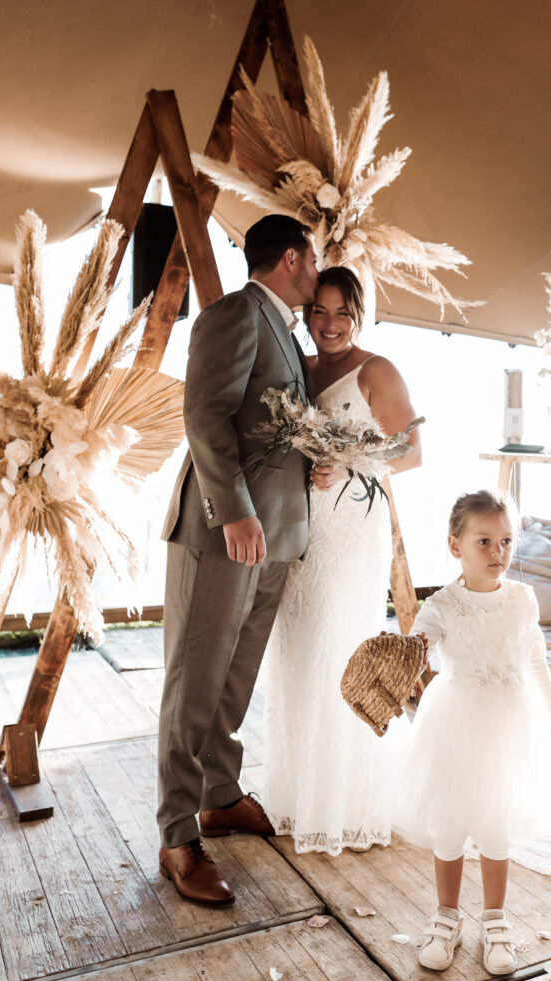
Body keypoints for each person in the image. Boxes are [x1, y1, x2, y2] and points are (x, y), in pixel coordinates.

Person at [158, 214, 317, 905]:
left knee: (236, 677)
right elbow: (204, 414)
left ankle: (220, 797)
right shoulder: (234, 313)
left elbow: (275, 427)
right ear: (292, 257)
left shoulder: (286, 328)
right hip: (226, 531)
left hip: (277, 537)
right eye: (313, 259)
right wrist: (237, 512)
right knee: (195, 680)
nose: (317, 269)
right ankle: (175, 834)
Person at [262, 266, 422, 855]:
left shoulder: (376, 370)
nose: (329, 325)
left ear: (358, 315)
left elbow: (410, 451)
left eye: (342, 314)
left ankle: (349, 802)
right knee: (298, 645)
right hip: (302, 527)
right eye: (319, 312)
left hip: (353, 527)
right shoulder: (299, 369)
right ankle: (302, 794)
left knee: (339, 645)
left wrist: (351, 463)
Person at [399, 490, 551, 976]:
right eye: (484, 542)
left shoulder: (522, 599)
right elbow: (420, 644)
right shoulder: (444, 604)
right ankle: (447, 916)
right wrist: (407, 653)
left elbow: (535, 660)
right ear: (455, 546)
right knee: (451, 823)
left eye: (506, 541)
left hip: (509, 725)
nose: (498, 553)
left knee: (497, 822)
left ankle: (494, 919)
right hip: (456, 723)